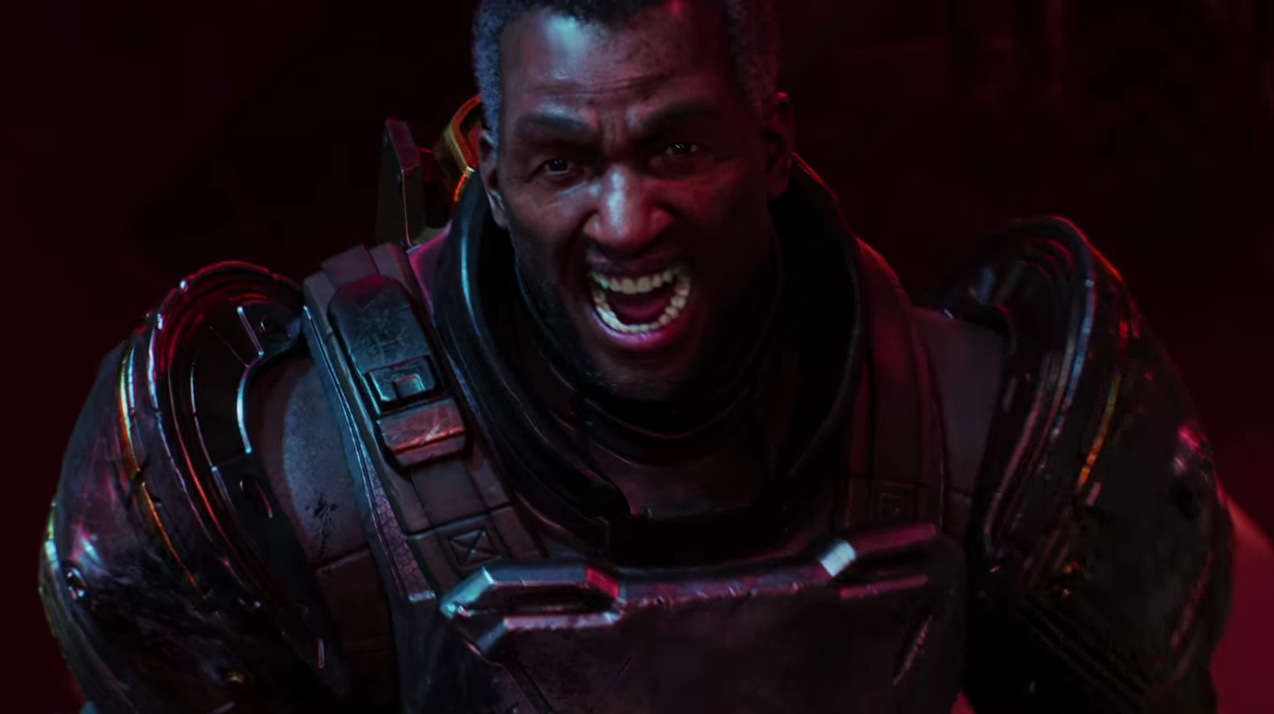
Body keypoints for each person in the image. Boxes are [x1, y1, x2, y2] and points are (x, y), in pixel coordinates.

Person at [38, 1, 1273, 712]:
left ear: (772, 146)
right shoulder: (295, 468)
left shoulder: (978, 430)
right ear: (493, 176)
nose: (625, 222)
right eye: (564, 163)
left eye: (676, 148)